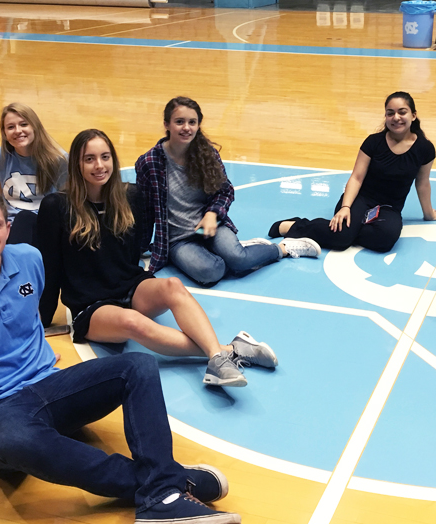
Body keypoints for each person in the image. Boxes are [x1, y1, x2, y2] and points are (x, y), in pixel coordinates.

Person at [0, 187, 240, 524]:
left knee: (137, 366)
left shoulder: (28, 258)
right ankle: (166, 483)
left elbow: (28, 315)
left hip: (47, 386)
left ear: (8, 228)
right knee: (17, 439)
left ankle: (160, 492)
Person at [37, 129, 276, 388]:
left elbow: (137, 248)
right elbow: (47, 267)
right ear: (76, 164)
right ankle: (230, 350)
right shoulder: (56, 206)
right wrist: (42, 319)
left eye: (105, 157)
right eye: (89, 159)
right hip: (91, 305)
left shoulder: (131, 196)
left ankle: (217, 358)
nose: (99, 166)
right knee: (132, 322)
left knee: (172, 285)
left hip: (129, 285)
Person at [136, 97, 320, 287]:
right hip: (178, 239)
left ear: (199, 125)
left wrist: (211, 214)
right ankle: (240, 253)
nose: (186, 128)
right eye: (179, 122)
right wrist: (139, 248)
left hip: (211, 225)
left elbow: (225, 192)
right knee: (211, 272)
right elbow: (144, 210)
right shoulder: (149, 163)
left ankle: (282, 249)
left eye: (192, 122)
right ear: (167, 124)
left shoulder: (206, 154)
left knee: (238, 260)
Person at [268, 91, 436, 252]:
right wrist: (345, 207)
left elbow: (422, 183)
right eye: (390, 113)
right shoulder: (373, 142)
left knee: (385, 240)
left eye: (402, 112)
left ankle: (347, 232)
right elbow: (357, 178)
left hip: (389, 207)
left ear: (413, 115)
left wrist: (428, 214)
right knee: (341, 239)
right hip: (360, 198)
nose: (396, 117)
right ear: (385, 117)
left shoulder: (425, 148)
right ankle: (293, 226)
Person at [0, 103, 68, 246]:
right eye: (10, 127)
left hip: (46, 226)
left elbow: (65, 202)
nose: (18, 131)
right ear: (4, 133)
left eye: (23, 124)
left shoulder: (59, 159)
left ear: (35, 127)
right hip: (10, 228)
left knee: (24, 218)